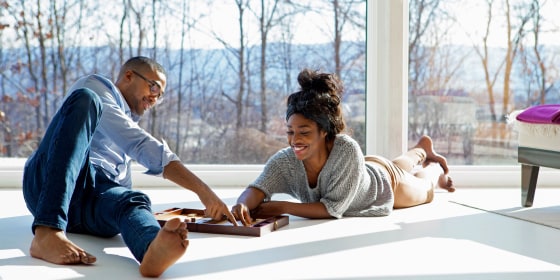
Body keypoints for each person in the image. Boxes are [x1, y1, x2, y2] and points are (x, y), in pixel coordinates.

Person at [22, 56, 236, 277]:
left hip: (88, 206)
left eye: (160, 95)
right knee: (86, 100)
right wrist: (204, 191)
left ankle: (152, 249)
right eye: (153, 86)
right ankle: (47, 231)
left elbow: (121, 189)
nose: (155, 97)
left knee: (132, 199)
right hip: (46, 184)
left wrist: (138, 214)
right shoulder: (96, 87)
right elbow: (139, 144)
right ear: (129, 76)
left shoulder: (127, 129)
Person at [232, 68, 454, 226]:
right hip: (363, 169)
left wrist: (282, 207)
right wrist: (242, 204)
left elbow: (331, 209)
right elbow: (258, 188)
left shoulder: (346, 148)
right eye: (290, 132)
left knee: (426, 189)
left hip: (386, 185)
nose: (294, 140)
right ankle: (421, 148)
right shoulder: (285, 161)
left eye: (304, 132)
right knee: (397, 164)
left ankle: (433, 166)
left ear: (324, 131)